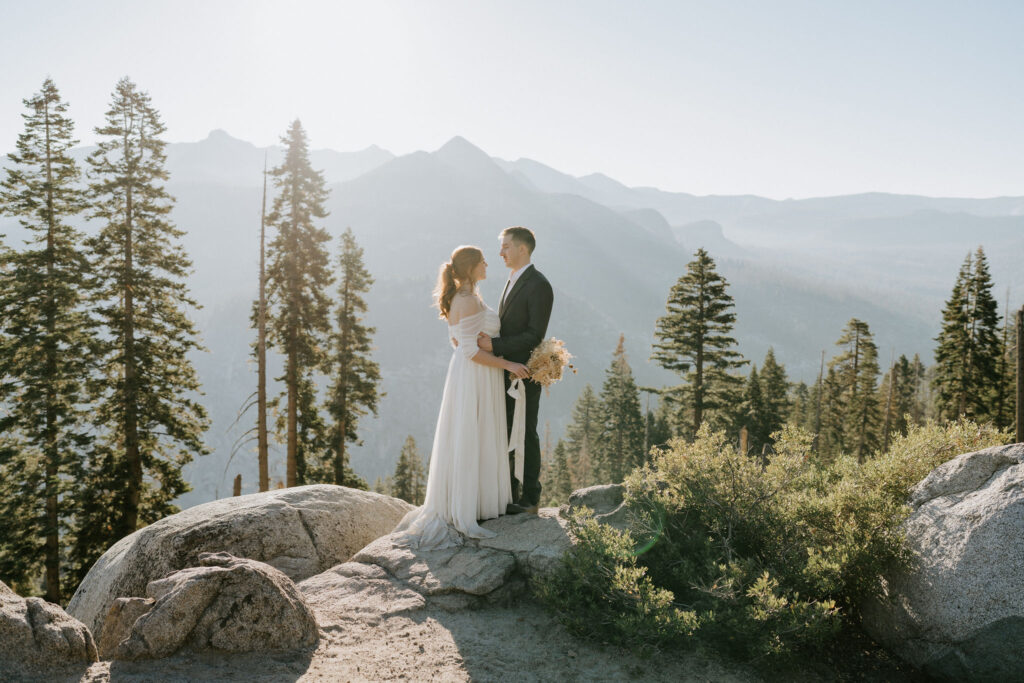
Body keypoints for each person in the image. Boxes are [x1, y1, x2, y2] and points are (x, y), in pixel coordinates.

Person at [392, 245, 530, 549]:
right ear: (470, 268)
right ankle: (469, 507)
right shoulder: (465, 301)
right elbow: (468, 350)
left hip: (477, 374)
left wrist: (489, 345)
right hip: (474, 375)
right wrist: (508, 363)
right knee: (471, 434)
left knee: (478, 434)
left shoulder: (469, 298)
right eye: (482, 262)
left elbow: (458, 339)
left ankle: (479, 503)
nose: (487, 265)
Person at [478, 227, 554, 514]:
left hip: (523, 372)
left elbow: (534, 334)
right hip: (506, 369)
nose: (500, 253)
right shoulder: (512, 279)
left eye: (506, 247)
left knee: (525, 432)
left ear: (523, 249)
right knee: (507, 430)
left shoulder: (538, 285)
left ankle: (530, 498)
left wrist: (494, 345)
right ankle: (509, 492)